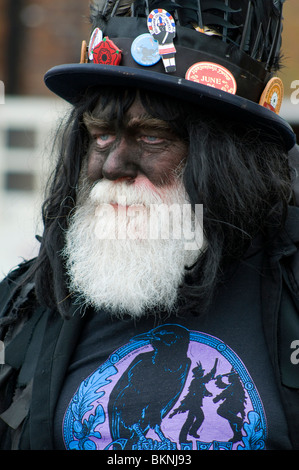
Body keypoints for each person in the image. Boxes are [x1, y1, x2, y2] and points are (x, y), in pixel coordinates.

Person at [0, 0, 299, 451]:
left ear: (228, 159)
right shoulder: (25, 306)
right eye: (101, 135)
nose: (113, 165)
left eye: (152, 136)